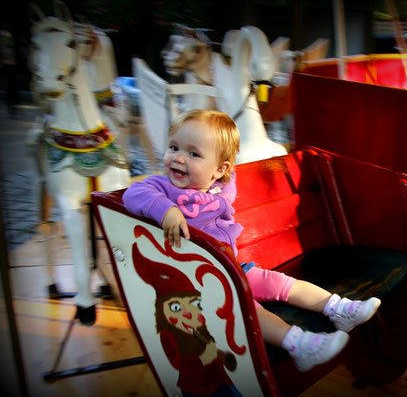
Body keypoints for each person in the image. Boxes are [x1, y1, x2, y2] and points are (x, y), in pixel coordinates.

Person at [123, 109, 381, 372]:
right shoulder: (162, 188)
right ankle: (300, 345)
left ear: (219, 170)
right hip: (201, 283)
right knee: (247, 307)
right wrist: (167, 210)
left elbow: (227, 169)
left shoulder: (221, 187)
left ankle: (338, 309)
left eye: (193, 154)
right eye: (173, 147)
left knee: (282, 283)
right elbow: (134, 193)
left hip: (232, 267)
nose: (178, 158)